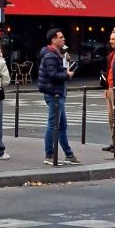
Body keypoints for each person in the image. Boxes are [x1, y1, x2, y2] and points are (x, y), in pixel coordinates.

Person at [37, 28, 80, 165]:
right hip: (54, 93)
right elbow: (52, 75)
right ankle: (49, 154)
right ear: (53, 39)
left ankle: (68, 153)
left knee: (61, 125)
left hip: (57, 92)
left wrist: (65, 62)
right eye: (60, 37)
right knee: (54, 125)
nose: (63, 39)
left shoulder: (57, 54)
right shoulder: (50, 56)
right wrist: (67, 75)